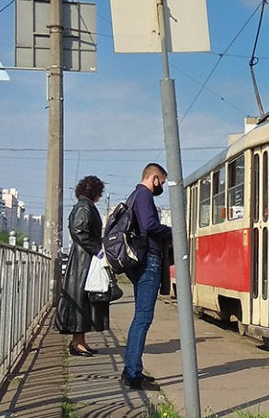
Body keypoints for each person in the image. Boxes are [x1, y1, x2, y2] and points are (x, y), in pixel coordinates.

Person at [121, 163, 173, 390]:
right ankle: (133, 374)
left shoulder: (134, 196)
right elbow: (150, 225)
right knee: (143, 319)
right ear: (153, 178)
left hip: (143, 262)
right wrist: (172, 231)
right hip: (148, 261)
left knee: (140, 318)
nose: (161, 187)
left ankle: (131, 370)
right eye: (161, 182)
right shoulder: (143, 195)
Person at [54, 175, 109, 357]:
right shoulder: (85, 207)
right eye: (99, 193)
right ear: (94, 191)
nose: (100, 196)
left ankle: (79, 341)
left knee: (84, 302)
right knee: (82, 301)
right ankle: (77, 343)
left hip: (83, 259)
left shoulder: (83, 206)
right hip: (83, 261)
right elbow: (79, 231)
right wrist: (96, 249)